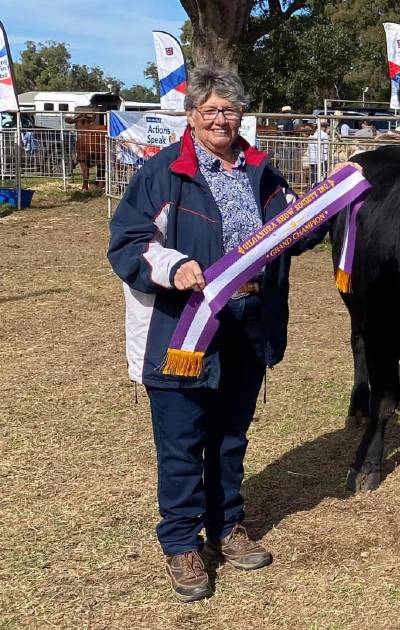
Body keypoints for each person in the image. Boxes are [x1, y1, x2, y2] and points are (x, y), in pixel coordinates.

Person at [107, 66, 333, 602]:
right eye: (209, 109)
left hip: (247, 324)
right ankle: (182, 543)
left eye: (229, 110)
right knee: (183, 442)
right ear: (191, 117)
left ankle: (227, 526)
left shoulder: (262, 172)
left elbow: (292, 230)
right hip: (181, 328)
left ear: (241, 116)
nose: (220, 118)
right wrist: (174, 265)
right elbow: (128, 243)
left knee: (231, 435)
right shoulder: (164, 174)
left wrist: (331, 209)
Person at [306, 120, 330, 184]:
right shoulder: (325, 135)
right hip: (322, 158)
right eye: (326, 126)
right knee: (322, 174)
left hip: (312, 158)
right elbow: (326, 147)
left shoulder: (312, 135)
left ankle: (312, 186)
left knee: (313, 174)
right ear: (324, 127)